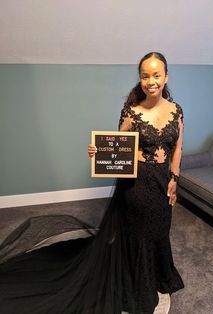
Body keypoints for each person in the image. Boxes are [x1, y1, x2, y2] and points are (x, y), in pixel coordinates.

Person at [0, 52, 184, 314]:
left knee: (159, 230)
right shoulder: (132, 112)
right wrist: (99, 153)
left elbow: (177, 148)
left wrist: (175, 178)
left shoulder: (176, 111)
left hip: (163, 183)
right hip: (137, 185)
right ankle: (137, 286)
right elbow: (119, 148)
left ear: (166, 76)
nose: (151, 81)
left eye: (156, 75)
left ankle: (159, 273)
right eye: (145, 76)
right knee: (139, 234)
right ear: (140, 78)